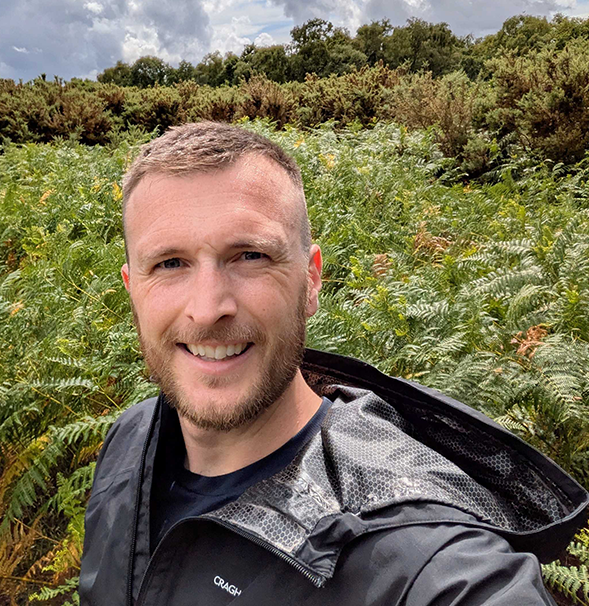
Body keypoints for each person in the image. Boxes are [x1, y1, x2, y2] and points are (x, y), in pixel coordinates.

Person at [79, 121, 588, 606]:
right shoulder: (132, 438)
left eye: (251, 256)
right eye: (169, 263)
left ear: (312, 282)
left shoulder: (424, 555)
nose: (208, 308)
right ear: (132, 288)